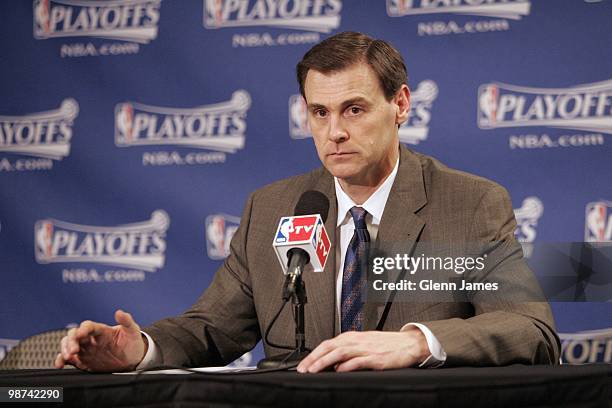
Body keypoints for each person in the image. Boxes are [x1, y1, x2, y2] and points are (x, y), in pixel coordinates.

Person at [55, 32, 560, 373]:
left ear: (401, 105)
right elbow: (212, 328)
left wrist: (417, 341)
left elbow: (529, 328)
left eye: (354, 109)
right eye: (319, 112)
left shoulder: (470, 204)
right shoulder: (274, 208)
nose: (334, 131)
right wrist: (138, 350)